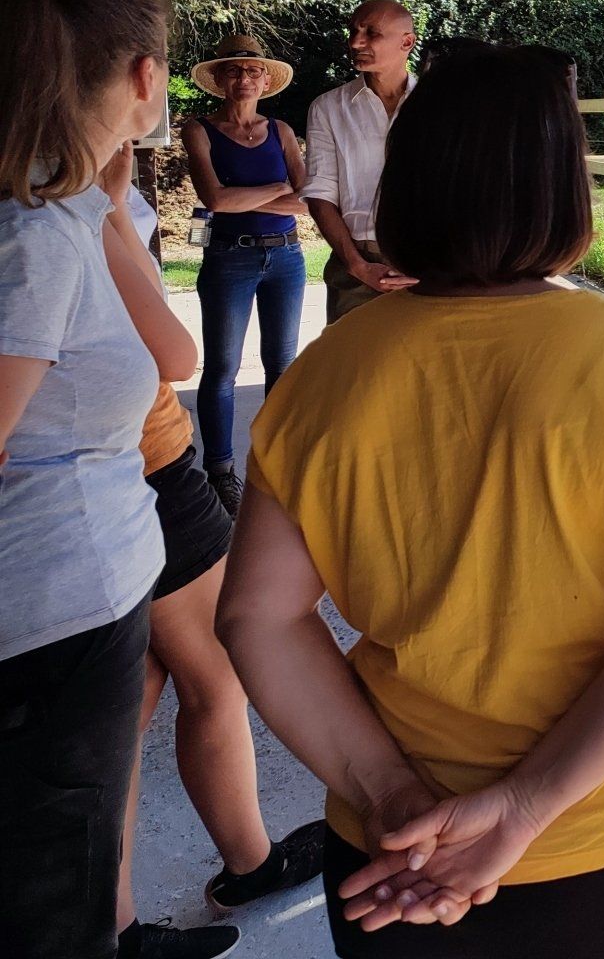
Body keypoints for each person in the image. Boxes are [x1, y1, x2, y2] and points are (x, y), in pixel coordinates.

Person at [217, 45, 604, 958]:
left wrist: (391, 795)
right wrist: (524, 807)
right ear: (561, 190)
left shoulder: (327, 372)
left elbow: (257, 618)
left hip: (396, 858)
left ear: (409, 180)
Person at [0, 0, 191, 959]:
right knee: (48, 908)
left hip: (87, 598)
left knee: (69, 885)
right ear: (145, 78)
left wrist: (111, 205)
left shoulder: (72, 209)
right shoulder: (32, 233)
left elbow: (175, 355)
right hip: (48, 613)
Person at [112, 188, 325, 959]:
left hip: (123, 460)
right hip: (141, 460)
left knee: (132, 694)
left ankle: (116, 920)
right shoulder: (67, 198)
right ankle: (242, 869)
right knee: (206, 676)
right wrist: (108, 205)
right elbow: (174, 353)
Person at [181, 34, 307, 510]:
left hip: (287, 257)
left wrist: (245, 198)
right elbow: (214, 199)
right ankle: (221, 473)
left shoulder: (281, 130)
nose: (244, 78)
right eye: (233, 70)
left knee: (283, 366)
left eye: (253, 71)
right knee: (222, 370)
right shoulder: (199, 130)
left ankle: (277, 465)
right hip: (228, 258)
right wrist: (276, 187)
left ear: (265, 80)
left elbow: (307, 199)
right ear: (218, 79)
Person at [305, 0, 417, 323]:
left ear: (406, 42)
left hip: (428, 262)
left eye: (372, 33)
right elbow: (320, 194)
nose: (356, 42)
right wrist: (358, 266)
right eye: (353, 31)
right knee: (351, 355)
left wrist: (440, 263)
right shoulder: (328, 108)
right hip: (356, 266)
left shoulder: (439, 104)